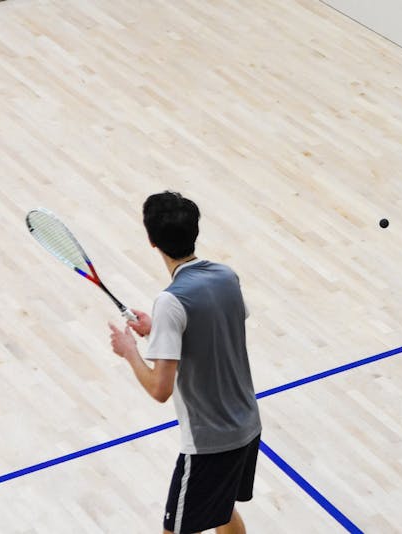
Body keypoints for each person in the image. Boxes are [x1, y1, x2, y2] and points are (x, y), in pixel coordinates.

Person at [109, 191, 262, 533]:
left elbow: (159, 389)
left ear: (152, 241)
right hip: (248, 426)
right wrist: (158, 330)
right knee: (221, 513)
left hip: (211, 443)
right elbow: (215, 331)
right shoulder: (226, 276)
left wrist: (129, 351)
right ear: (195, 231)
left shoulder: (170, 302)